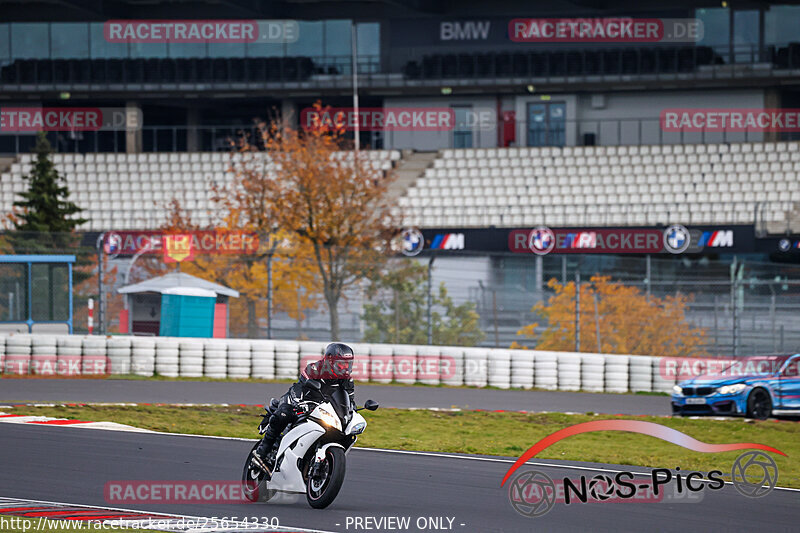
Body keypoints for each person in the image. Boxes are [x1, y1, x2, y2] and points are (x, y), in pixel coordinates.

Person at [251, 342, 355, 473]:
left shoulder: (347, 380)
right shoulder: (315, 369)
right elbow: (300, 388)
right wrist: (300, 403)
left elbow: (349, 401)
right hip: (298, 399)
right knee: (284, 414)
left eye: (348, 364)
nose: (345, 367)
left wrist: (351, 414)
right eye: (342, 363)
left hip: (322, 410)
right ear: (330, 360)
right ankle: (262, 451)